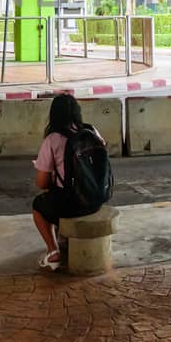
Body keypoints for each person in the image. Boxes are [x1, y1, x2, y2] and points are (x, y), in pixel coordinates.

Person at [31, 93, 101, 270]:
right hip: (95, 199)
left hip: (73, 203)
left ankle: (53, 251)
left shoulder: (53, 140)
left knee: (39, 205)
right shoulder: (91, 131)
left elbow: (41, 183)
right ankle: (62, 240)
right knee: (56, 197)